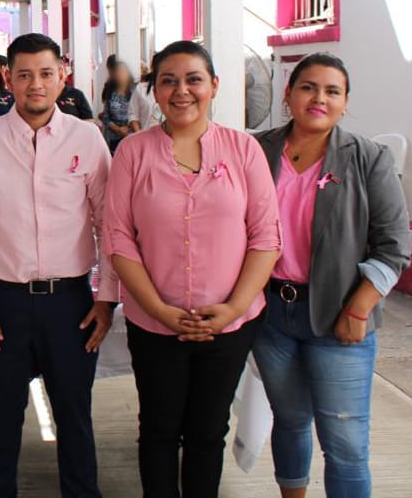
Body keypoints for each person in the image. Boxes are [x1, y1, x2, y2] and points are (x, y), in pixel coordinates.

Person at [104, 40, 281, 498]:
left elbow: (266, 236)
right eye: (169, 81)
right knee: (159, 430)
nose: (182, 91)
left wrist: (233, 308)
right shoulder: (133, 153)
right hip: (154, 323)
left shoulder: (243, 150)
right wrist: (160, 311)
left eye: (194, 79)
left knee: (208, 431)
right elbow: (118, 238)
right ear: (155, 91)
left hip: (229, 324)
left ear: (214, 86)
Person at [0, 33, 115, 498]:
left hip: (71, 304)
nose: (35, 85)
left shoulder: (86, 138)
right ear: (8, 78)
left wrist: (107, 299)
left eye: (46, 74)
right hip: (2, 302)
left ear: (62, 74)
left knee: (74, 416)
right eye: (24, 75)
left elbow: (109, 226)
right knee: (2, 417)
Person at [252, 54, 410, 498]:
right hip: (271, 318)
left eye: (332, 91)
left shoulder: (369, 158)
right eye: (307, 87)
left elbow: (395, 245)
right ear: (288, 94)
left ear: (345, 103)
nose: (318, 98)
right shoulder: (258, 151)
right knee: (290, 420)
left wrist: (359, 308)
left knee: (344, 443)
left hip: (341, 319)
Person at [99, 61, 135, 153]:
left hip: (132, 134)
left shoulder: (135, 91)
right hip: (113, 137)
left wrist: (129, 128)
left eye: (123, 71)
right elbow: (106, 116)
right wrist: (118, 129)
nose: (120, 74)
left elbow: (139, 114)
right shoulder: (110, 91)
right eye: (117, 72)